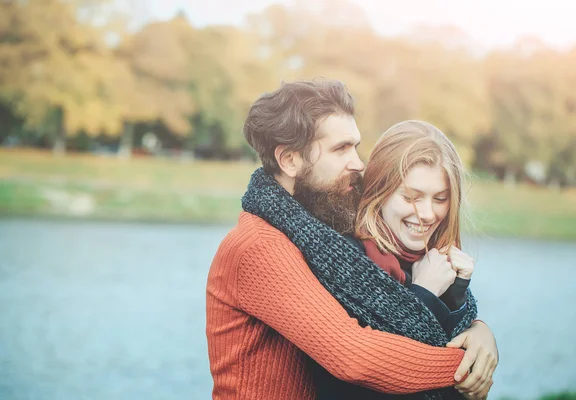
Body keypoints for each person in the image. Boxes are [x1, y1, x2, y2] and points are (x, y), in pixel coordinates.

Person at [206, 79, 498, 400]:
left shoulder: (319, 225)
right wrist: (469, 366)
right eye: (341, 148)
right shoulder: (259, 246)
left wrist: (476, 328)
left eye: (356, 147)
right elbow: (354, 358)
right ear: (290, 160)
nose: (359, 163)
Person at [311, 120, 489, 399]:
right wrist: (425, 294)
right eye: (411, 197)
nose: (428, 214)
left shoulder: (435, 263)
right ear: (379, 192)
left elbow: (456, 387)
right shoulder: (344, 261)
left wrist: (468, 318)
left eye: (440, 199)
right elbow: (364, 382)